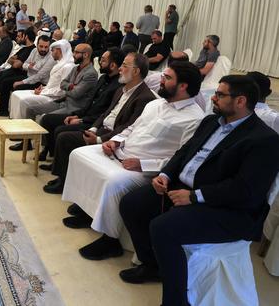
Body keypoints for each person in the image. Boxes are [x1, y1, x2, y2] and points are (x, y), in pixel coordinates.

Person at [118, 75, 279, 306]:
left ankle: (175, 301)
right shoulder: (212, 121)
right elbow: (184, 152)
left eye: (221, 94)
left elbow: (245, 190)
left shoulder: (265, 140)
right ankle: (152, 265)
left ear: (241, 101)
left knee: (164, 228)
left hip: (228, 209)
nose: (212, 97)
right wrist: (165, 175)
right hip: (185, 190)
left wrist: (194, 197)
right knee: (131, 204)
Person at [62, 61, 205, 262]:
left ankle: (110, 241)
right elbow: (132, 129)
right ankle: (88, 211)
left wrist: (143, 164)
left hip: (145, 168)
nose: (161, 80)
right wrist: (115, 141)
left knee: (114, 182)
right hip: (122, 151)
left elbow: (181, 158)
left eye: (168, 78)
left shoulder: (195, 119)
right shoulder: (155, 104)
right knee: (79, 154)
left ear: (183, 86)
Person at [42, 53, 156, 194]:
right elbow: (106, 113)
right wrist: (94, 128)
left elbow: (128, 126)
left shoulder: (145, 97)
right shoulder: (122, 89)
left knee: (65, 138)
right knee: (62, 132)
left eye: (125, 65)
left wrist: (99, 139)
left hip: (113, 137)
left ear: (136, 71)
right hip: (101, 128)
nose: (120, 68)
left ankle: (65, 181)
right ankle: (63, 177)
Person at [37, 48, 124, 159]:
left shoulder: (118, 86)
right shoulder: (102, 78)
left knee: (60, 131)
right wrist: (77, 115)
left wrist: (81, 120)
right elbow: (87, 100)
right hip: (83, 112)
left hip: (93, 122)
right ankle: (51, 152)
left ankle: (59, 165)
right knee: (47, 119)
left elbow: (103, 112)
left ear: (112, 66)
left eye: (103, 60)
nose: (100, 63)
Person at [21, 43, 98, 122]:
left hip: (74, 107)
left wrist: (67, 88)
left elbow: (76, 93)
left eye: (76, 52)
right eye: (73, 52)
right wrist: (72, 87)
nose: (73, 55)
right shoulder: (75, 68)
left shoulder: (91, 74)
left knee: (45, 119)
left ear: (85, 55)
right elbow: (62, 83)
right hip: (63, 102)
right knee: (30, 109)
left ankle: (40, 134)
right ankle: (30, 133)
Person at [8, 39, 76, 120]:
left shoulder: (68, 67)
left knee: (23, 101)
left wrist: (42, 92)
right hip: (48, 92)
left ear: (59, 50)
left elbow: (62, 91)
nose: (51, 53)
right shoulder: (60, 64)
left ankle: (23, 127)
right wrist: (43, 88)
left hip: (54, 98)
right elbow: (53, 84)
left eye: (52, 50)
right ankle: (14, 123)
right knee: (15, 94)